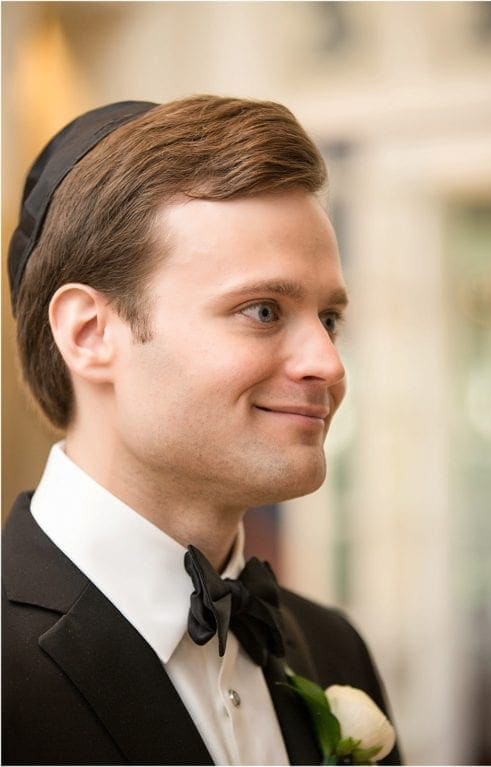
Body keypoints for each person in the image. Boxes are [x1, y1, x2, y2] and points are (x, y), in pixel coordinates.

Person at [2, 96, 400, 765]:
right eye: (264, 310)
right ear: (90, 333)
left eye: (328, 319)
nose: (328, 364)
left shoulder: (333, 645)